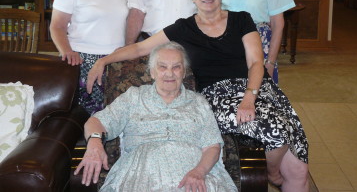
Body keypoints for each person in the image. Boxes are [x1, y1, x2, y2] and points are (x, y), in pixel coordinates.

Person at [87, 0, 309, 191]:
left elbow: (255, 63)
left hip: (255, 87)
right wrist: (103, 61)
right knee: (277, 131)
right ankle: (272, 174)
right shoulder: (184, 28)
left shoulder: (242, 19)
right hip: (219, 96)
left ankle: (280, 172)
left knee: (298, 166)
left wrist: (250, 97)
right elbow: (139, 48)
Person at [74, 42, 237, 192]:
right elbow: (95, 122)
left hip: (194, 173)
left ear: (184, 72)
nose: (169, 73)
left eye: (176, 67)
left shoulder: (198, 102)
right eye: (162, 67)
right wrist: (95, 144)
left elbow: (212, 147)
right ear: (152, 72)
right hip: (141, 173)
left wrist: (199, 172)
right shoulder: (134, 97)